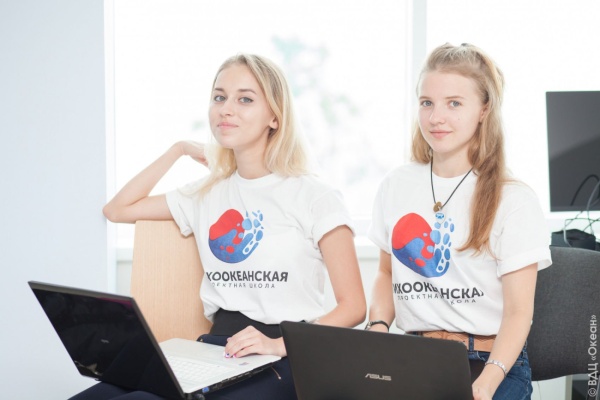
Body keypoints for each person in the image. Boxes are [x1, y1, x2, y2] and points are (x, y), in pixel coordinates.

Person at [72, 53, 366, 400]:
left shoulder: (315, 196)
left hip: (283, 357)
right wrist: (178, 150)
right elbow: (118, 209)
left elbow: (354, 306)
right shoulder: (206, 193)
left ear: (275, 116)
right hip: (216, 349)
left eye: (245, 99)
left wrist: (278, 343)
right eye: (219, 97)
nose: (226, 109)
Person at [365, 43, 551, 400]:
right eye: (427, 103)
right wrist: (377, 326)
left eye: (454, 103)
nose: (436, 117)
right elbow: (386, 273)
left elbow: (518, 313)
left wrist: (487, 383)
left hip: (489, 362)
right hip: (413, 356)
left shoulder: (513, 198)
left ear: (484, 109)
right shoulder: (395, 185)